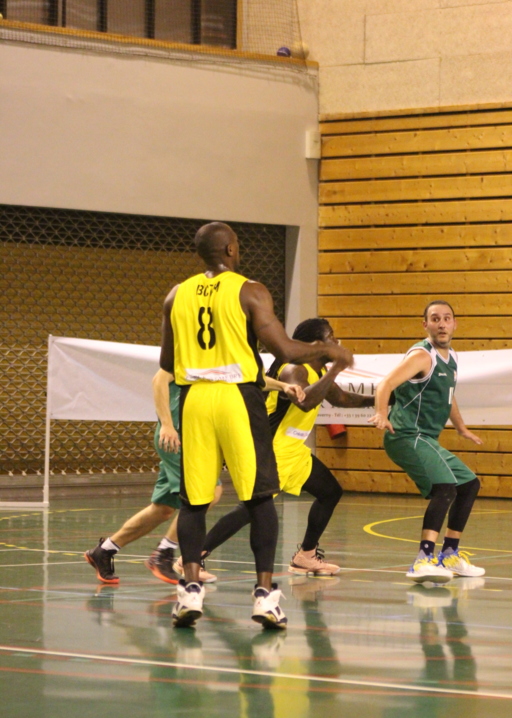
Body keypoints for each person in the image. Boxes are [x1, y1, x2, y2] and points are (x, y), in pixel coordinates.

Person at [160, 221, 353, 628]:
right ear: (231, 249)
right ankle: (265, 597)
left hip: (194, 401)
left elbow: (167, 362)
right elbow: (285, 348)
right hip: (237, 398)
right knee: (260, 498)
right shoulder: (250, 290)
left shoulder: (176, 295)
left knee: (193, 502)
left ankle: (190, 590)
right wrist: (329, 350)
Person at [84, 368, 302, 586]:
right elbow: (159, 380)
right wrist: (167, 424)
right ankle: (164, 554)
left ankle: (104, 551)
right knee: (209, 491)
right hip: (177, 437)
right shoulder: (187, 354)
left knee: (163, 509)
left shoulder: (224, 358)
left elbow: (248, 376)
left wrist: (283, 386)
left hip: (197, 436)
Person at [198, 317, 374, 576]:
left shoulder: (316, 372)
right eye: (331, 337)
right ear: (316, 344)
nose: (337, 342)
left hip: (293, 451)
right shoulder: (294, 369)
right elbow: (305, 402)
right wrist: (337, 368)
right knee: (251, 510)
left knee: (330, 492)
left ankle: (306, 556)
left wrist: (385, 398)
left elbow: (341, 398)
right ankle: (194, 557)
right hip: (273, 449)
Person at [369, 300, 485, 584]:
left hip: (426, 438)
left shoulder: (451, 357)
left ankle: (450, 554)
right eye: (435, 319)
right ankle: (423, 560)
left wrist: (461, 428)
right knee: (444, 488)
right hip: (406, 435)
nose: (442, 324)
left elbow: (449, 396)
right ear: (426, 325)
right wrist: (381, 413)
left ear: (455, 323)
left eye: (447, 318)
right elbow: (385, 384)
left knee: (469, 485)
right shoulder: (422, 355)